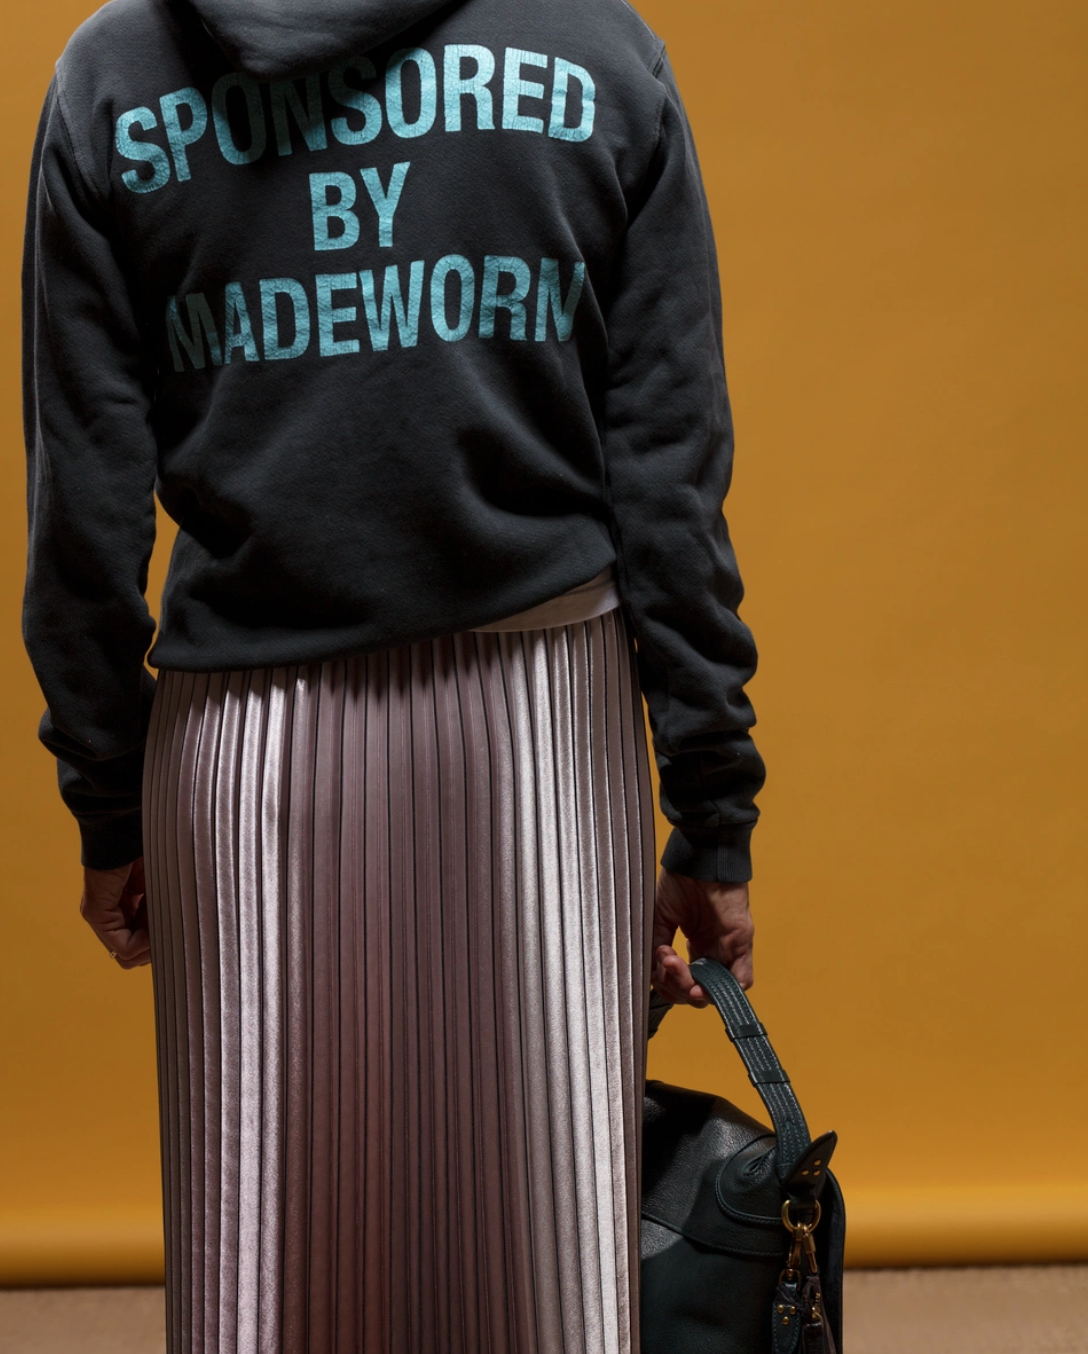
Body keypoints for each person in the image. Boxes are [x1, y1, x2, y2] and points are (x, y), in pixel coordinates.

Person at [22, 0, 764, 1349]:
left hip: (241, 755)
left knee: (264, 1277)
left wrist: (108, 801)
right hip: (540, 729)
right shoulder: (595, 53)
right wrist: (711, 806)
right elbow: (668, 471)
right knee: (545, 1279)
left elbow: (84, 504)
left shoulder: (110, 79)